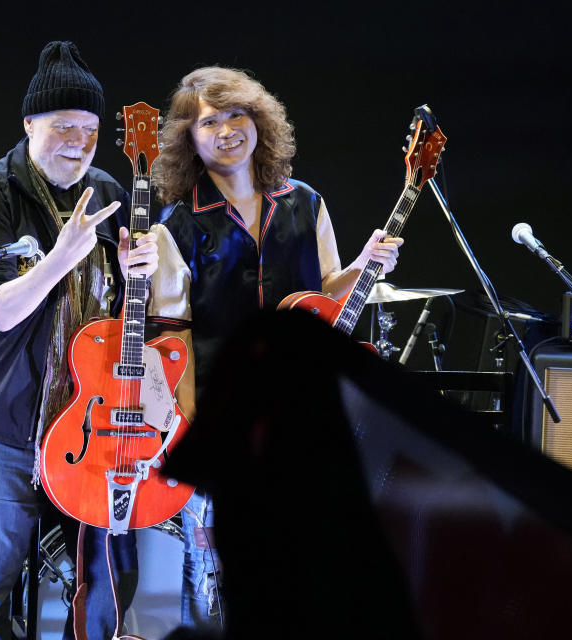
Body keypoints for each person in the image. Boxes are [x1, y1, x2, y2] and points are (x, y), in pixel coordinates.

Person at [147, 66, 404, 630]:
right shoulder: (176, 226)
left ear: (258, 119)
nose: (226, 130)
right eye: (207, 122)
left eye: (235, 114)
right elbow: (172, 341)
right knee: (216, 580)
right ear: (189, 140)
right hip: (221, 419)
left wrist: (364, 266)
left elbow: (327, 290)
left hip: (300, 419)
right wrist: (191, 423)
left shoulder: (305, 203)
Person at [0, 41, 157, 639]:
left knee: (101, 582)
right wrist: (60, 257)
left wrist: (149, 272)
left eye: (89, 130)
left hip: (87, 419)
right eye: (64, 127)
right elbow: (1, 312)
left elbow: (133, 309)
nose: (79, 143)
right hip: (7, 416)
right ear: (29, 123)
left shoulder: (112, 190)